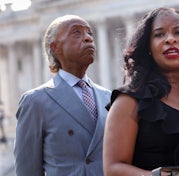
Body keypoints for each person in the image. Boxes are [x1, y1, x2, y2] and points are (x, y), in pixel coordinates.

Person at [103, 7, 179, 176]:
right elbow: (113, 169)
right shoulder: (128, 101)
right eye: (159, 34)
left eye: (178, 32)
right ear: (148, 47)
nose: (170, 39)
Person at [13, 15, 111, 175]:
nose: (87, 38)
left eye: (90, 33)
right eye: (77, 33)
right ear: (55, 47)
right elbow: (27, 170)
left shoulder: (108, 97)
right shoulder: (35, 101)